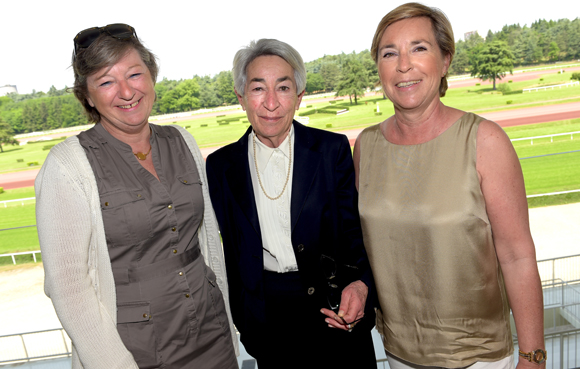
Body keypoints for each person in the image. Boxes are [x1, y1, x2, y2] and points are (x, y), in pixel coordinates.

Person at [35, 23, 238, 369]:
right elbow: (69, 288)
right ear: (86, 95)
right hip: (135, 353)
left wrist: (229, 324)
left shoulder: (182, 141)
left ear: (152, 75)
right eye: (106, 81)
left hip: (211, 334)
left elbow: (207, 244)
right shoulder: (68, 166)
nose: (126, 92)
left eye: (134, 74)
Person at [354, 3, 545, 369]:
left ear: (445, 61)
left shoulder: (485, 141)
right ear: (378, 67)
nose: (403, 64)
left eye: (419, 48)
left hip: (479, 358)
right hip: (398, 353)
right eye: (389, 53)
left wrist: (533, 358)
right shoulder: (365, 147)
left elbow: (517, 256)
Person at [206, 39, 377, 369]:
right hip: (269, 324)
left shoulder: (331, 150)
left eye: (283, 88)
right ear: (241, 97)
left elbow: (357, 233)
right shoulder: (221, 166)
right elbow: (228, 249)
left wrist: (360, 284)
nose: (271, 102)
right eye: (258, 89)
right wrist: (246, 318)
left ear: (298, 97)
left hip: (336, 310)